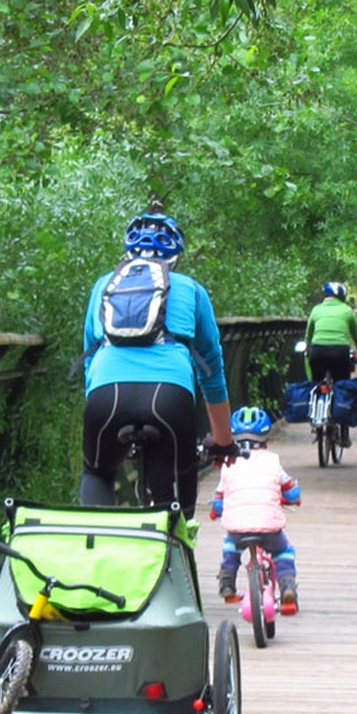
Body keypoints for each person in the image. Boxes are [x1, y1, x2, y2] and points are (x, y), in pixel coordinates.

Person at [80, 211, 235, 513]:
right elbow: (212, 373)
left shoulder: (103, 286)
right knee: (176, 494)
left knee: (97, 472)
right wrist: (223, 441)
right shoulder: (191, 289)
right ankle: (174, 545)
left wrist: (101, 413)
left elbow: (89, 362)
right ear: (176, 255)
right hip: (169, 396)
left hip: (105, 394)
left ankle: (97, 547)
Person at [210, 407, 301, 614]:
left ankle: (227, 583)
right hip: (269, 526)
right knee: (283, 551)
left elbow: (218, 501)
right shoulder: (273, 461)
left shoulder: (228, 463)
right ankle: (287, 587)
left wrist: (216, 511)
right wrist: (292, 498)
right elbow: (293, 492)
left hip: (238, 527)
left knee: (230, 545)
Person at [304, 280, 357, 446]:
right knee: (342, 388)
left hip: (317, 352)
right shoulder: (347, 311)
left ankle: (316, 416)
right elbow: (356, 336)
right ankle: (344, 433)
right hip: (340, 353)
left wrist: (307, 350)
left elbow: (308, 335)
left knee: (317, 383)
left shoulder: (316, 310)